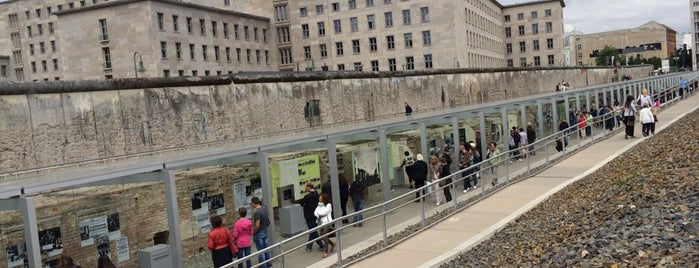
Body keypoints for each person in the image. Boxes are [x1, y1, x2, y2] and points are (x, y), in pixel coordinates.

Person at [300, 182, 324, 252]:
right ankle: (310, 246)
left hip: (309, 216)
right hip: (316, 215)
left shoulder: (307, 197)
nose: (305, 188)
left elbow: (302, 203)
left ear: (309, 187)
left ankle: (319, 245)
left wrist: (305, 204)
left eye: (306, 187)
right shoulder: (317, 194)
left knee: (313, 231)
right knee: (313, 231)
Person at [251, 197, 272, 268]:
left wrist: (254, 231)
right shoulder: (264, 208)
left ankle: (263, 266)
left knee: (261, 251)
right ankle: (269, 264)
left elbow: (257, 225)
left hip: (259, 233)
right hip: (265, 230)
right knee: (266, 249)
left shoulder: (257, 212)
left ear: (253, 203)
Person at [314, 193, 336, 258]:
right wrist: (320, 215)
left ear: (323, 198)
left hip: (327, 222)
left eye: (320, 197)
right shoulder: (319, 205)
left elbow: (325, 212)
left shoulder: (328, 205)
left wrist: (319, 214)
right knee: (321, 236)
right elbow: (315, 212)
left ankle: (326, 252)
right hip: (321, 222)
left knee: (325, 236)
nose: (319, 198)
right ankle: (332, 244)